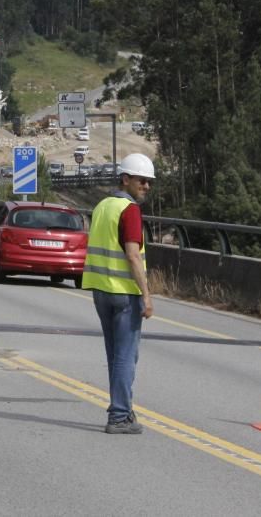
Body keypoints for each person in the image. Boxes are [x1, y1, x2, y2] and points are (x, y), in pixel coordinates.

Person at [82, 152, 156, 434]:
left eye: (149, 182)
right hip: (125, 293)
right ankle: (120, 414)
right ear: (125, 179)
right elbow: (133, 256)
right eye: (141, 181)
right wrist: (146, 295)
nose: (146, 186)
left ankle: (123, 408)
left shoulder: (102, 206)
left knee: (115, 354)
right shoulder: (130, 210)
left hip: (101, 290)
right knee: (126, 355)